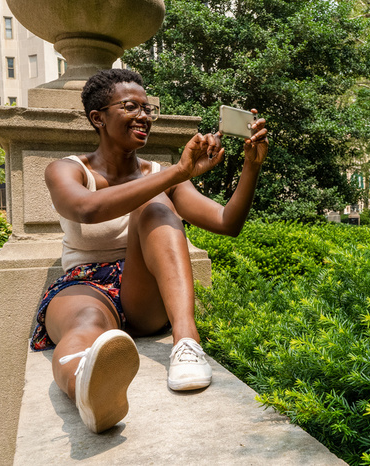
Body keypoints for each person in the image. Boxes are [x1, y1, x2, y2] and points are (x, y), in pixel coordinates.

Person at [29, 69, 268, 433]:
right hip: (85, 286)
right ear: (99, 118)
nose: (144, 116)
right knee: (85, 326)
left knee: (155, 204)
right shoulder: (66, 169)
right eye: (130, 107)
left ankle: (186, 343)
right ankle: (89, 392)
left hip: (142, 292)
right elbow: (87, 209)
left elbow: (226, 222)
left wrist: (251, 167)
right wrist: (178, 173)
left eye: (148, 108)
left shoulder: (160, 174)